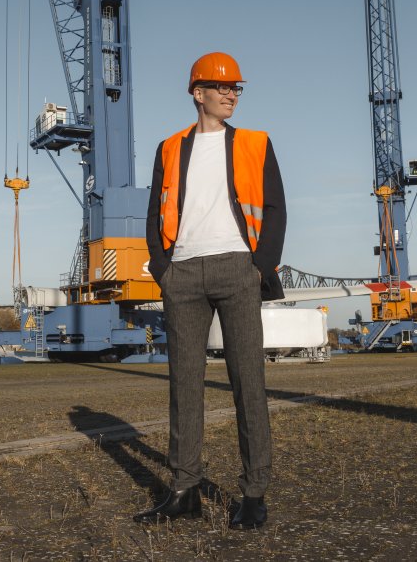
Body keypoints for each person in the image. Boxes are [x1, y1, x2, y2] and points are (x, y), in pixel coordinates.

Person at [134, 52, 286, 530]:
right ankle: (184, 489)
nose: (231, 94)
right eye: (222, 87)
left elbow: (276, 209)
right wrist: (163, 268)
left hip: (238, 269)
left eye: (237, 88)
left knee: (248, 383)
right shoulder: (168, 148)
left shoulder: (257, 143)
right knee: (184, 386)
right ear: (197, 93)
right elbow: (154, 214)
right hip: (182, 274)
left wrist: (259, 268)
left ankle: (254, 494)